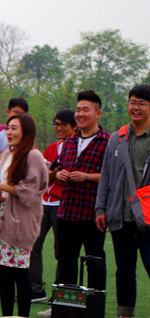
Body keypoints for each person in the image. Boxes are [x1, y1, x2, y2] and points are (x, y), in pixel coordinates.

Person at [95, 85, 150, 318]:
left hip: (148, 217)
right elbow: (106, 176)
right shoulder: (117, 138)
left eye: (142, 103)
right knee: (124, 268)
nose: (136, 107)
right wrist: (101, 208)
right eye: (132, 102)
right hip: (121, 213)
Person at [0, 114, 47, 317]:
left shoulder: (33, 156)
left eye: (14, 128)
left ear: (25, 132)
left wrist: (1, 186)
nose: (9, 133)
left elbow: (31, 191)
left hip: (21, 224)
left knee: (20, 273)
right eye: (8, 128)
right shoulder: (8, 155)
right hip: (2, 222)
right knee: (5, 273)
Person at [54, 91, 109, 286]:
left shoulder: (108, 142)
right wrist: (60, 174)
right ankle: (66, 307)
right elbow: (59, 168)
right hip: (67, 212)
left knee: (94, 261)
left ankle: (94, 307)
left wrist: (86, 177)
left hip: (92, 213)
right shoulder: (69, 141)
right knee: (66, 260)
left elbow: (112, 177)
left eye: (86, 110)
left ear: (98, 113)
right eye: (78, 110)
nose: (81, 114)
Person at [29, 109, 77, 303]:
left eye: (62, 125)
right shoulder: (51, 148)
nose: (57, 128)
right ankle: (35, 289)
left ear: (74, 127)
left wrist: (61, 175)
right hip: (44, 201)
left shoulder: (76, 148)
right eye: (55, 124)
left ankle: (59, 292)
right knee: (33, 244)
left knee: (62, 250)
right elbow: (43, 175)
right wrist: (53, 175)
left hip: (63, 202)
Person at [0, 97, 29, 282]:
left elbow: (27, 159)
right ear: (8, 113)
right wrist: (6, 157)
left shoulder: (26, 135)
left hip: (14, 190)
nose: (17, 117)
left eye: (22, 114)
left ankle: (13, 265)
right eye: (15, 113)